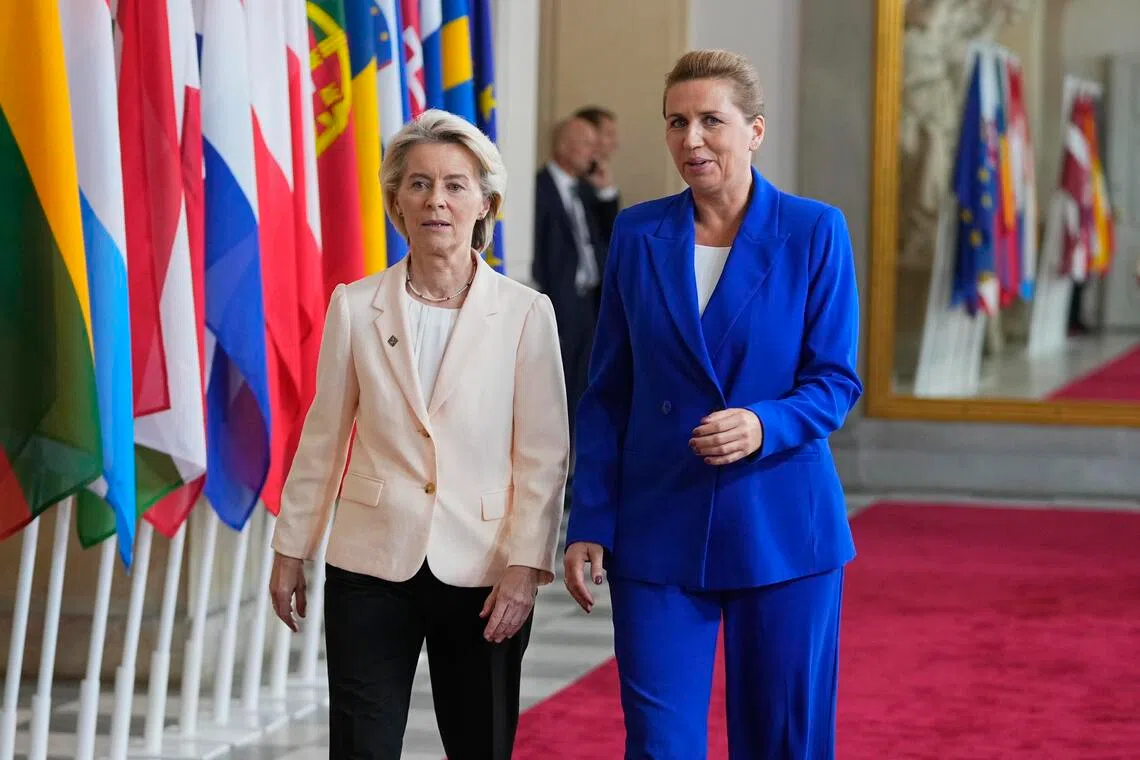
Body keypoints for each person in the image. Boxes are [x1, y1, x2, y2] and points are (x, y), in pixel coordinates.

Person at [564, 49, 863, 758]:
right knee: (660, 743)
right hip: (659, 522)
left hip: (781, 523)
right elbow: (608, 391)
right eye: (676, 122)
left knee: (783, 741)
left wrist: (764, 422)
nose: (691, 139)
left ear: (754, 130)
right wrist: (590, 520)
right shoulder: (638, 233)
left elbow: (835, 381)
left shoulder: (815, 231)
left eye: (710, 120)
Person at [269, 109, 570, 760]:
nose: (437, 200)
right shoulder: (354, 305)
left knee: (480, 744)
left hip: (486, 568)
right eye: (418, 184)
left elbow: (545, 456)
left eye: (455, 185)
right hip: (370, 564)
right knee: (361, 745)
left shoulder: (525, 313)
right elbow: (323, 437)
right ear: (396, 202)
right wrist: (291, 546)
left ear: (486, 202)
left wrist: (526, 567)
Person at [532, 116, 607, 447]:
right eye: (587, 143)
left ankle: (575, 466)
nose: (595, 151)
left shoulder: (587, 190)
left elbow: (606, 237)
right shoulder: (538, 187)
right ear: (565, 146)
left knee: (581, 389)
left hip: (586, 303)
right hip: (555, 303)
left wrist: (607, 194)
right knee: (551, 392)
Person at [574, 105, 622, 248]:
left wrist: (606, 190)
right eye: (609, 134)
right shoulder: (568, 182)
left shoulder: (597, 181)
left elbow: (612, 238)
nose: (615, 143)